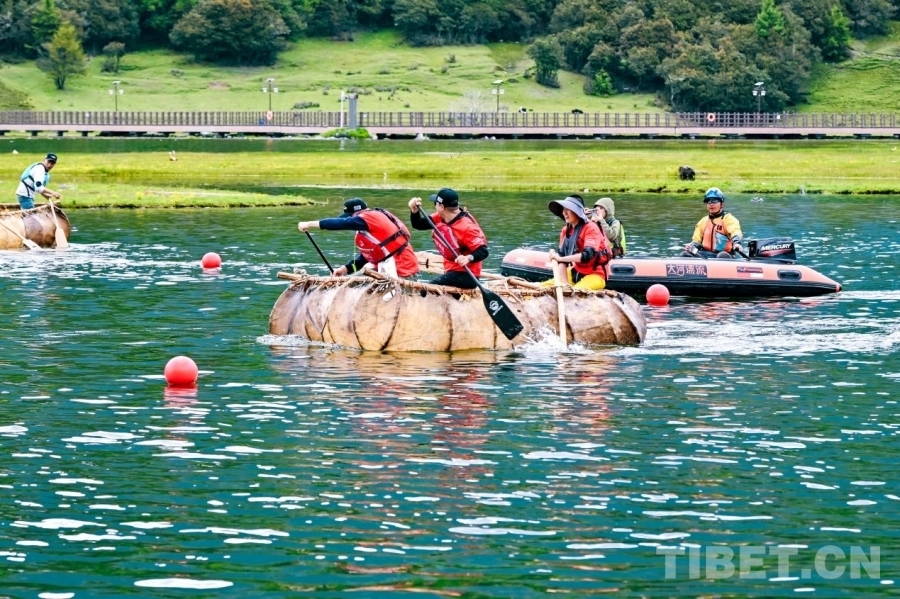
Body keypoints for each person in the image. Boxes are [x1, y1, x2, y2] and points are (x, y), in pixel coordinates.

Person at [297, 198, 419, 278]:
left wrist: (309, 224)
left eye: (351, 217)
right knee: (353, 281)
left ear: (358, 212)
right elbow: (365, 258)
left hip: (402, 266)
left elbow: (342, 224)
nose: (351, 220)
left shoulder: (370, 217)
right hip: (384, 265)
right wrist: (345, 269)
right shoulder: (367, 228)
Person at [408, 188, 488, 289]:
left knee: (426, 289)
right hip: (452, 272)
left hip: (468, 276)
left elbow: (483, 251)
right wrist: (414, 211)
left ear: (441, 207)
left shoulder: (467, 227)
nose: (435, 206)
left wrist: (468, 258)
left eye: (435, 203)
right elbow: (419, 224)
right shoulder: (441, 216)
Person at [544, 194, 612, 291]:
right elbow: (562, 259)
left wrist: (561, 258)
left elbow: (587, 255)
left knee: (575, 292)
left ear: (577, 212)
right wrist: (565, 285)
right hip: (575, 272)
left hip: (595, 275)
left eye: (568, 210)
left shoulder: (591, 227)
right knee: (542, 287)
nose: (565, 213)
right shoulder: (565, 231)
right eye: (563, 209)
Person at [681, 187, 744, 259]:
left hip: (725, 254)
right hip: (704, 254)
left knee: (722, 255)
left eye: (714, 201)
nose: (711, 204)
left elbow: (735, 232)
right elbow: (696, 240)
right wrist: (692, 246)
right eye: (708, 201)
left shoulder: (729, 219)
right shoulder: (703, 221)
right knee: (684, 254)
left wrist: (737, 243)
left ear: (722, 204)